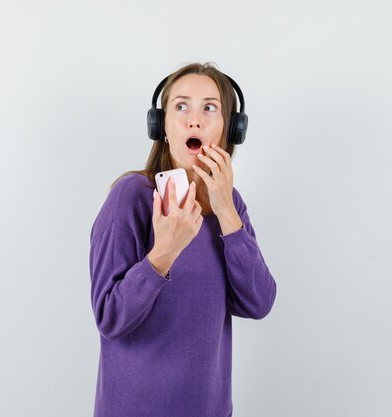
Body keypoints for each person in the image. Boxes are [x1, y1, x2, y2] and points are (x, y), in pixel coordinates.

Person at [88, 62, 277, 417]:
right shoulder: (131, 197)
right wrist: (164, 253)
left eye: (210, 107)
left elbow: (258, 302)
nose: (195, 120)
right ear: (161, 127)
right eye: (181, 106)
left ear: (229, 129)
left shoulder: (230, 206)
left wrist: (226, 213)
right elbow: (110, 318)